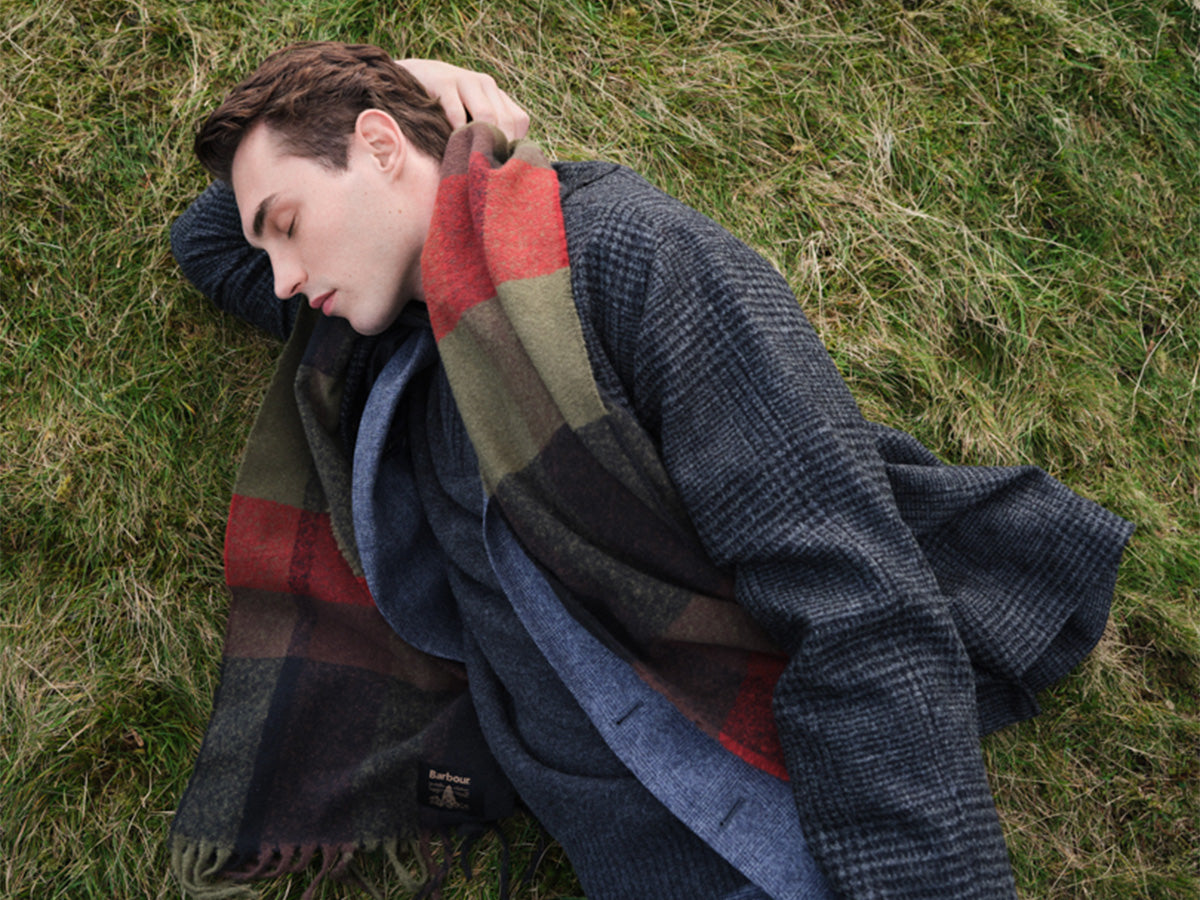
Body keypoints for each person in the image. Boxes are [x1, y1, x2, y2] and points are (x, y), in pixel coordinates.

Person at [169, 42, 1133, 900]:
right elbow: (206, 245)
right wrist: (394, 87)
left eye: (287, 224)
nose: (282, 278)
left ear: (380, 148)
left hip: (787, 818)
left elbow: (856, 601)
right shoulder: (383, 347)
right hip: (636, 852)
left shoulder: (625, 257)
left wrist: (394, 95)